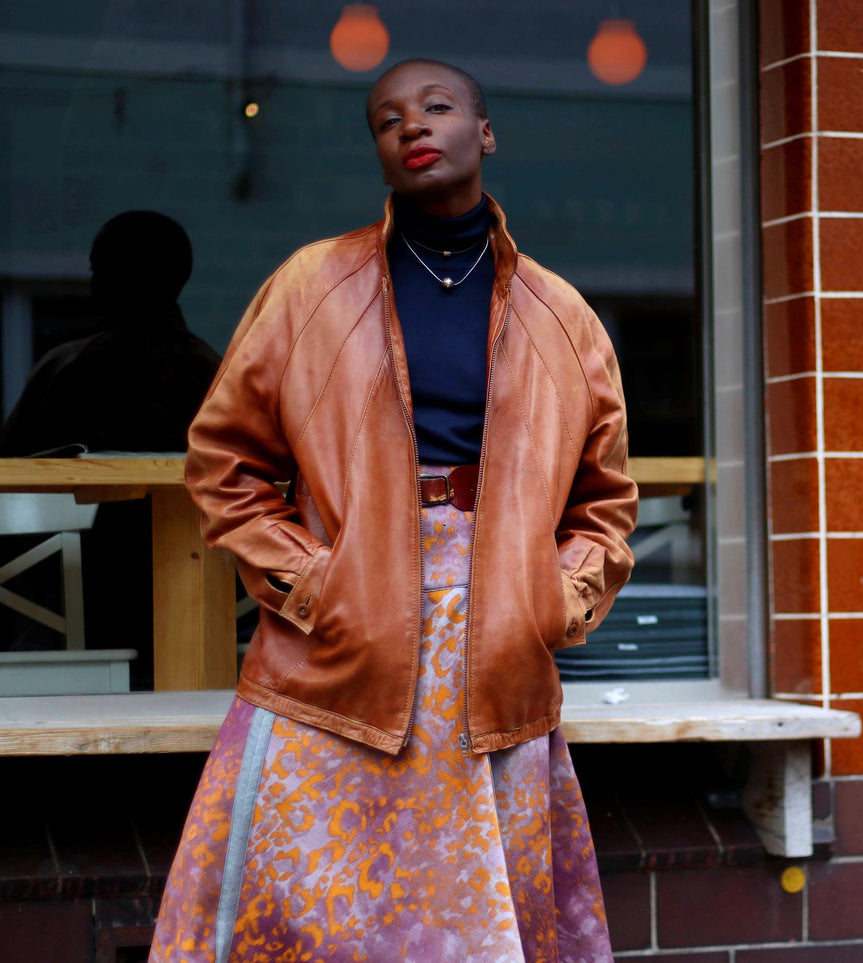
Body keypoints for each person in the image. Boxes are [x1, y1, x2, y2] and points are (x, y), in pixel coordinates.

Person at [150, 59, 637, 962]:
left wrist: (554, 599)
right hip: (335, 652)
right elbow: (223, 463)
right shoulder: (310, 285)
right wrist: (316, 584)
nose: (411, 126)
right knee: (309, 921)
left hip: (498, 648)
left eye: (436, 107)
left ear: (484, 133)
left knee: (469, 929)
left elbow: (603, 500)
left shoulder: (563, 315)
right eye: (387, 120)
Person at [0, 211, 220, 668]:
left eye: (98, 272)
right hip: (205, 612)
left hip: (70, 625)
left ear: (112, 280)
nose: (92, 286)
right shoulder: (220, 378)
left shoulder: (68, 371)